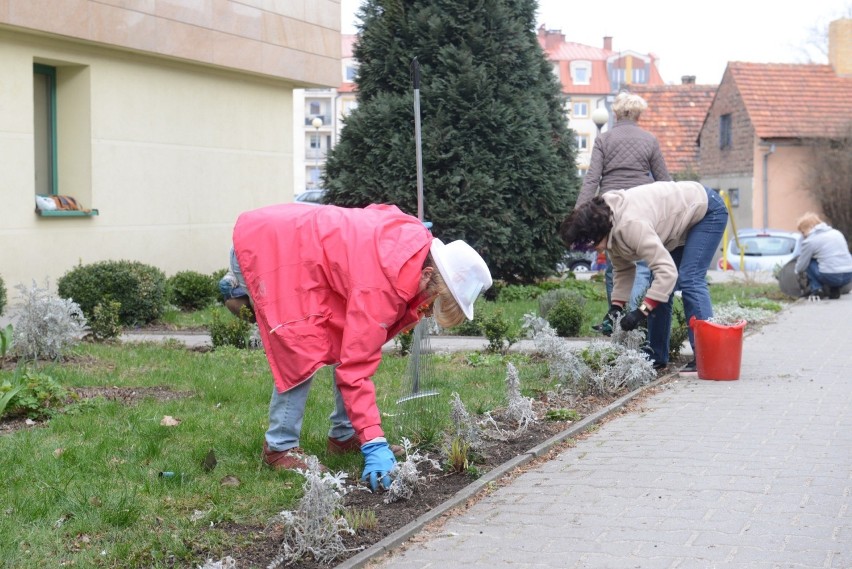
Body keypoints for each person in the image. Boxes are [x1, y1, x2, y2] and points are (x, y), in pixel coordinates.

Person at [229, 202, 492, 491]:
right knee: (301, 344)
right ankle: (280, 447)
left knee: (344, 341)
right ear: (427, 274)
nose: (427, 311)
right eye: (432, 302)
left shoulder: (411, 245)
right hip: (272, 248)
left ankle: (343, 436)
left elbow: (379, 210)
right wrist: (375, 442)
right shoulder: (379, 288)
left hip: (299, 245)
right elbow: (355, 369)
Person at [559, 180, 728, 373]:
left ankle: (708, 356)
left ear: (595, 233)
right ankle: (655, 357)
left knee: (689, 278)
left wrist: (641, 312)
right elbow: (623, 270)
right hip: (678, 223)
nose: (591, 250)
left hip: (704, 210)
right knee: (659, 288)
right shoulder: (609, 226)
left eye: (589, 245)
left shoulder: (631, 226)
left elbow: (667, 272)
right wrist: (616, 307)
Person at [576, 91, 671, 333]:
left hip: (609, 213)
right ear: (639, 114)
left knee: (616, 268)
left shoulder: (604, 139)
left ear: (615, 113)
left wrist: (579, 214)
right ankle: (638, 317)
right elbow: (664, 180)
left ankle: (614, 320)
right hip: (645, 208)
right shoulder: (649, 140)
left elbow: (591, 179)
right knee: (642, 265)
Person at [794, 212, 852, 299]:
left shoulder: (810, 241)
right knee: (830, 260)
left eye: (803, 232)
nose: (803, 235)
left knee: (809, 261)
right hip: (848, 275)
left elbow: (801, 266)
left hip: (831, 276)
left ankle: (817, 289)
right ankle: (834, 290)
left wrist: (796, 272)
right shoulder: (836, 233)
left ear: (809, 227)